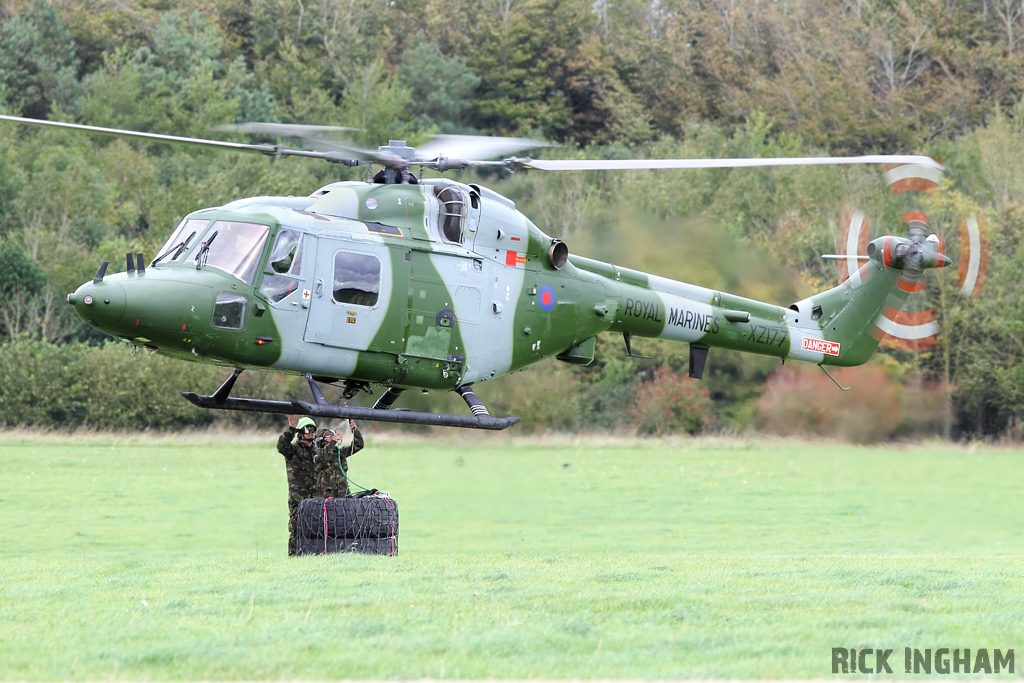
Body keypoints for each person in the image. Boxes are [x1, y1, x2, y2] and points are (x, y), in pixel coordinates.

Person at [277, 415, 319, 556]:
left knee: (318, 528)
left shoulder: (318, 450)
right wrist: (291, 428)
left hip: (317, 498)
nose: (311, 432)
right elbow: (281, 445)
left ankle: (315, 556)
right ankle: (295, 559)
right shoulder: (292, 450)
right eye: (308, 429)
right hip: (298, 499)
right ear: (300, 433)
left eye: (313, 429)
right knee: (296, 530)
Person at [314, 419, 364, 498]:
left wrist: (355, 430)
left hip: (343, 494)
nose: (333, 437)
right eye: (329, 436)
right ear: (321, 441)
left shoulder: (340, 453)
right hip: (327, 497)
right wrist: (333, 441)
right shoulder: (318, 456)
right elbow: (325, 455)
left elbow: (358, 445)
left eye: (332, 435)